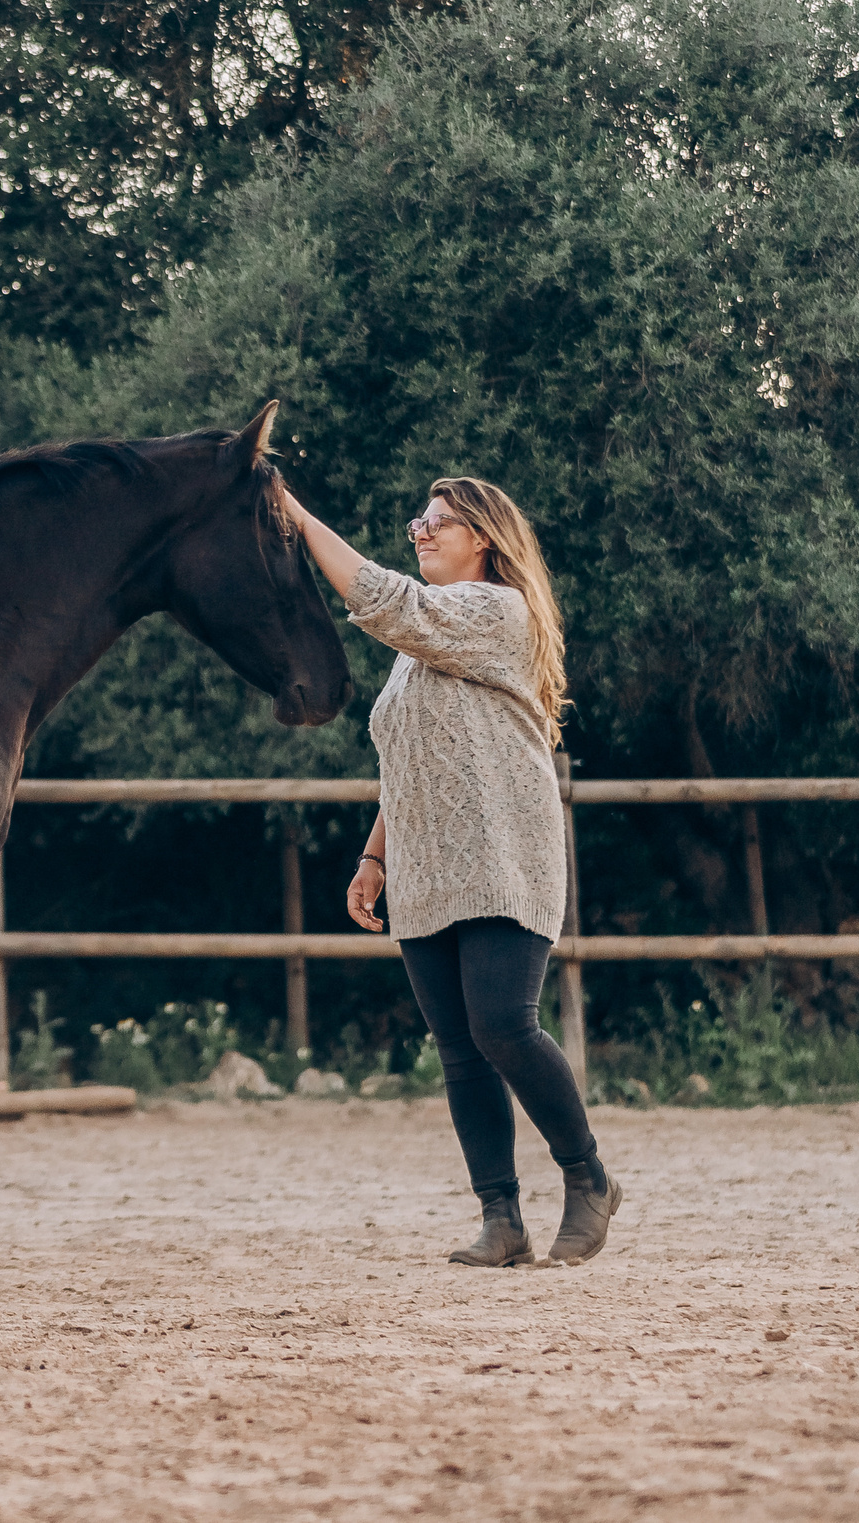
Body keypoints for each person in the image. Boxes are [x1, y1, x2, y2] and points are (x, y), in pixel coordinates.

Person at [280, 477, 619, 1267]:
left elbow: (381, 596)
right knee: (460, 1049)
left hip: (503, 855)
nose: (420, 532)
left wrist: (295, 513)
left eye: (438, 522)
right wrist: (375, 855)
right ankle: (501, 1216)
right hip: (428, 869)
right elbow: (411, 759)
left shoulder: (497, 610)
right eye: (418, 521)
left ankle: (589, 1176)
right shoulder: (419, 650)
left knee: (504, 1024)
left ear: (485, 540)